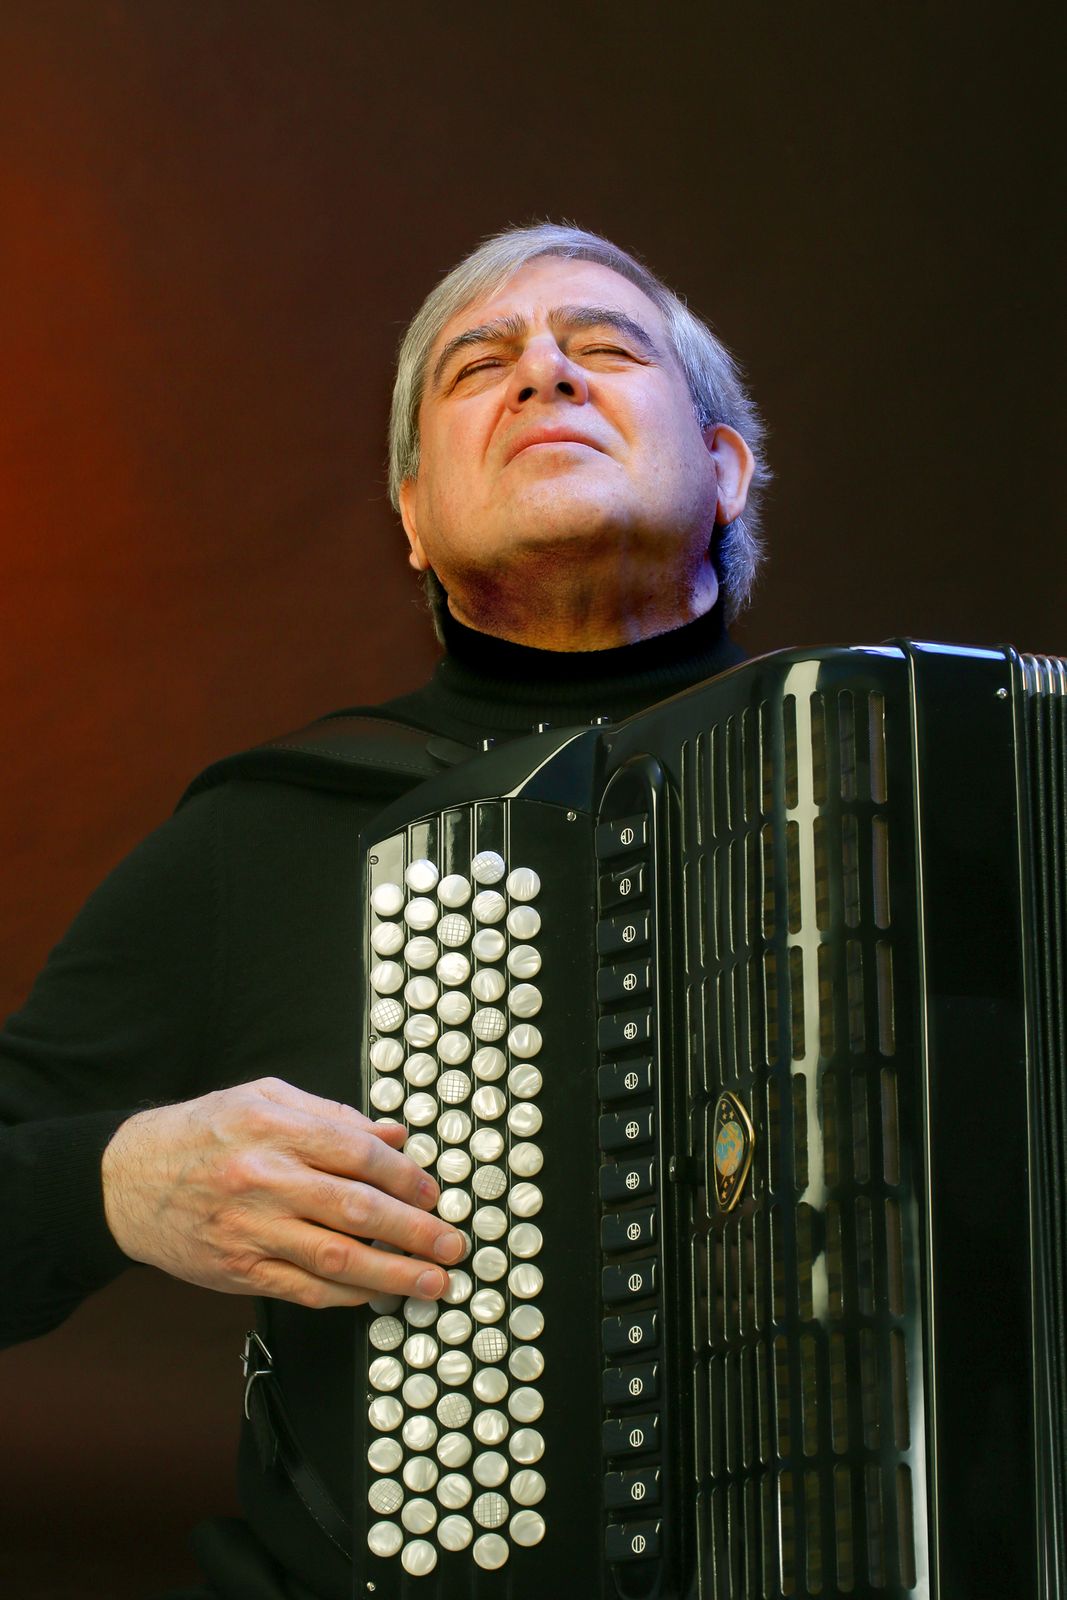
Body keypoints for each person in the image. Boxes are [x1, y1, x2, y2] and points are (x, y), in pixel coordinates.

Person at [0, 222, 768, 1598]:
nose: (545, 373)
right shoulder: (260, 834)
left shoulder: (922, 784)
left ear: (723, 471)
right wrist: (112, 1183)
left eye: (607, 349)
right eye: (481, 365)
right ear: (413, 517)